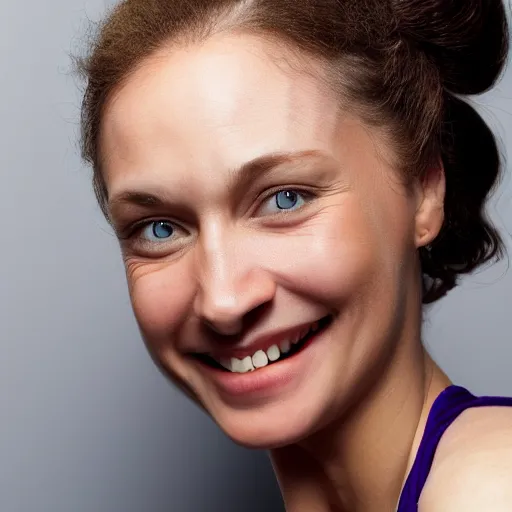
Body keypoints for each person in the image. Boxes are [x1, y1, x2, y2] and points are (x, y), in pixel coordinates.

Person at [76, 0, 512, 510]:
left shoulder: (488, 487)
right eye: (159, 228)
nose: (223, 299)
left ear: (423, 190)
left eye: (287, 198)